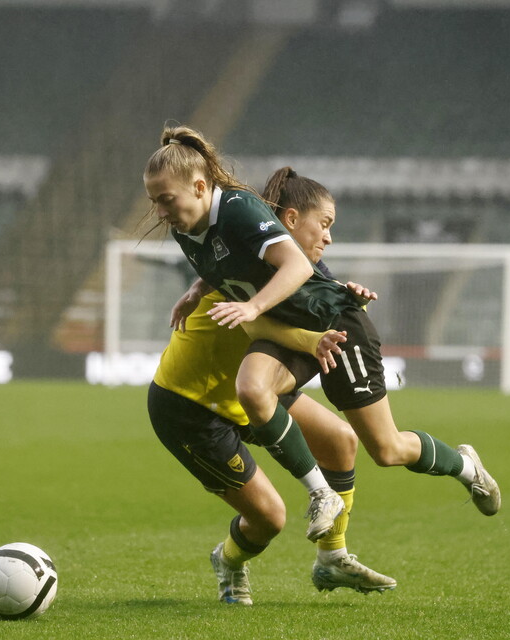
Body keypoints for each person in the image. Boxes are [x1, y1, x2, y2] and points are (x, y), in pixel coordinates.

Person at [144, 126, 500, 533]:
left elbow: (296, 267)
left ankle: (466, 467)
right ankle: (320, 495)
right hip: (289, 329)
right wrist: (197, 289)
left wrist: (254, 305)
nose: (159, 212)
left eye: (165, 200)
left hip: (337, 327)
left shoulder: (239, 209)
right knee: (252, 389)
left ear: (200, 186)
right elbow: (225, 262)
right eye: (155, 201)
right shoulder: (186, 228)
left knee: (386, 449)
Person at [149, 168, 395, 605]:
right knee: (269, 519)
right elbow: (264, 324)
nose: (326, 239)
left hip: (246, 394)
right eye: (322, 227)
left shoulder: (274, 268)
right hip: (192, 405)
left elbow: (304, 293)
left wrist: (341, 293)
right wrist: (315, 338)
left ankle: (332, 558)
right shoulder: (241, 268)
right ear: (287, 223)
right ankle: (228, 561)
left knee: (341, 440)